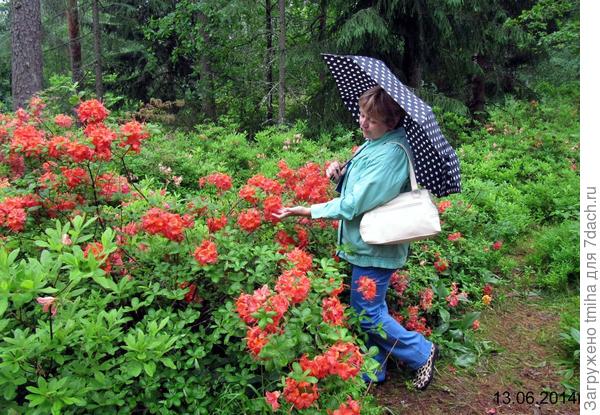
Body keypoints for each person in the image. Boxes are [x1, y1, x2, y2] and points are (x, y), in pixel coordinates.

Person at [274, 86, 439, 390]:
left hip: (377, 247)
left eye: (372, 120)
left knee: (366, 314)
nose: (363, 123)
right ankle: (374, 369)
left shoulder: (392, 153)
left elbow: (354, 204)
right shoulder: (374, 143)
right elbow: (357, 189)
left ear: (391, 123)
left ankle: (421, 351)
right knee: (371, 310)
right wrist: (339, 173)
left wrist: (307, 211)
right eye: (362, 115)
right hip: (363, 244)